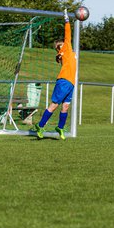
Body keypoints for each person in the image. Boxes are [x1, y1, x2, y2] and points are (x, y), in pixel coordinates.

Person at [35, 8, 77, 140]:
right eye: (64, 43)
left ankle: (60, 127)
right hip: (65, 81)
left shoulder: (64, 53)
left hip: (71, 82)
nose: (67, 42)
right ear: (60, 46)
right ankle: (41, 126)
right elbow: (68, 33)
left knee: (65, 107)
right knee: (55, 105)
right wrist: (66, 20)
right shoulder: (65, 48)